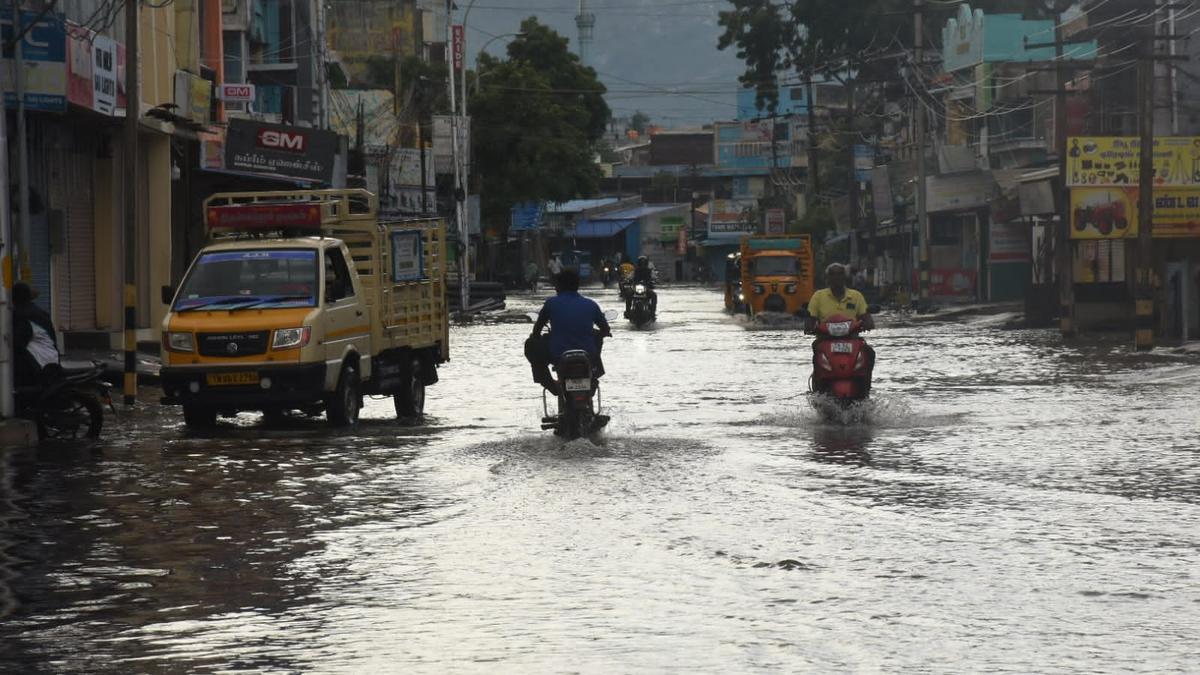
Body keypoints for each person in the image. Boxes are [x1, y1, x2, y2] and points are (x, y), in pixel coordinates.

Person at [526, 268, 612, 394]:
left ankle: (551, 385)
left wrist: (536, 337)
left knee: (530, 344)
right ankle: (593, 377)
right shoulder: (591, 304)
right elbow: (605, 329)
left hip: (558, 354)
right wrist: (601, 334)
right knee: (598, 338)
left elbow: (537, 330)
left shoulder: (551, 303)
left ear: (559, 286)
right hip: (588, 354)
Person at [12, 282, 61, 387]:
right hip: (50, 361)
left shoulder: (23, 315)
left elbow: (17, 343)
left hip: (42, 365)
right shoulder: (35, 311)